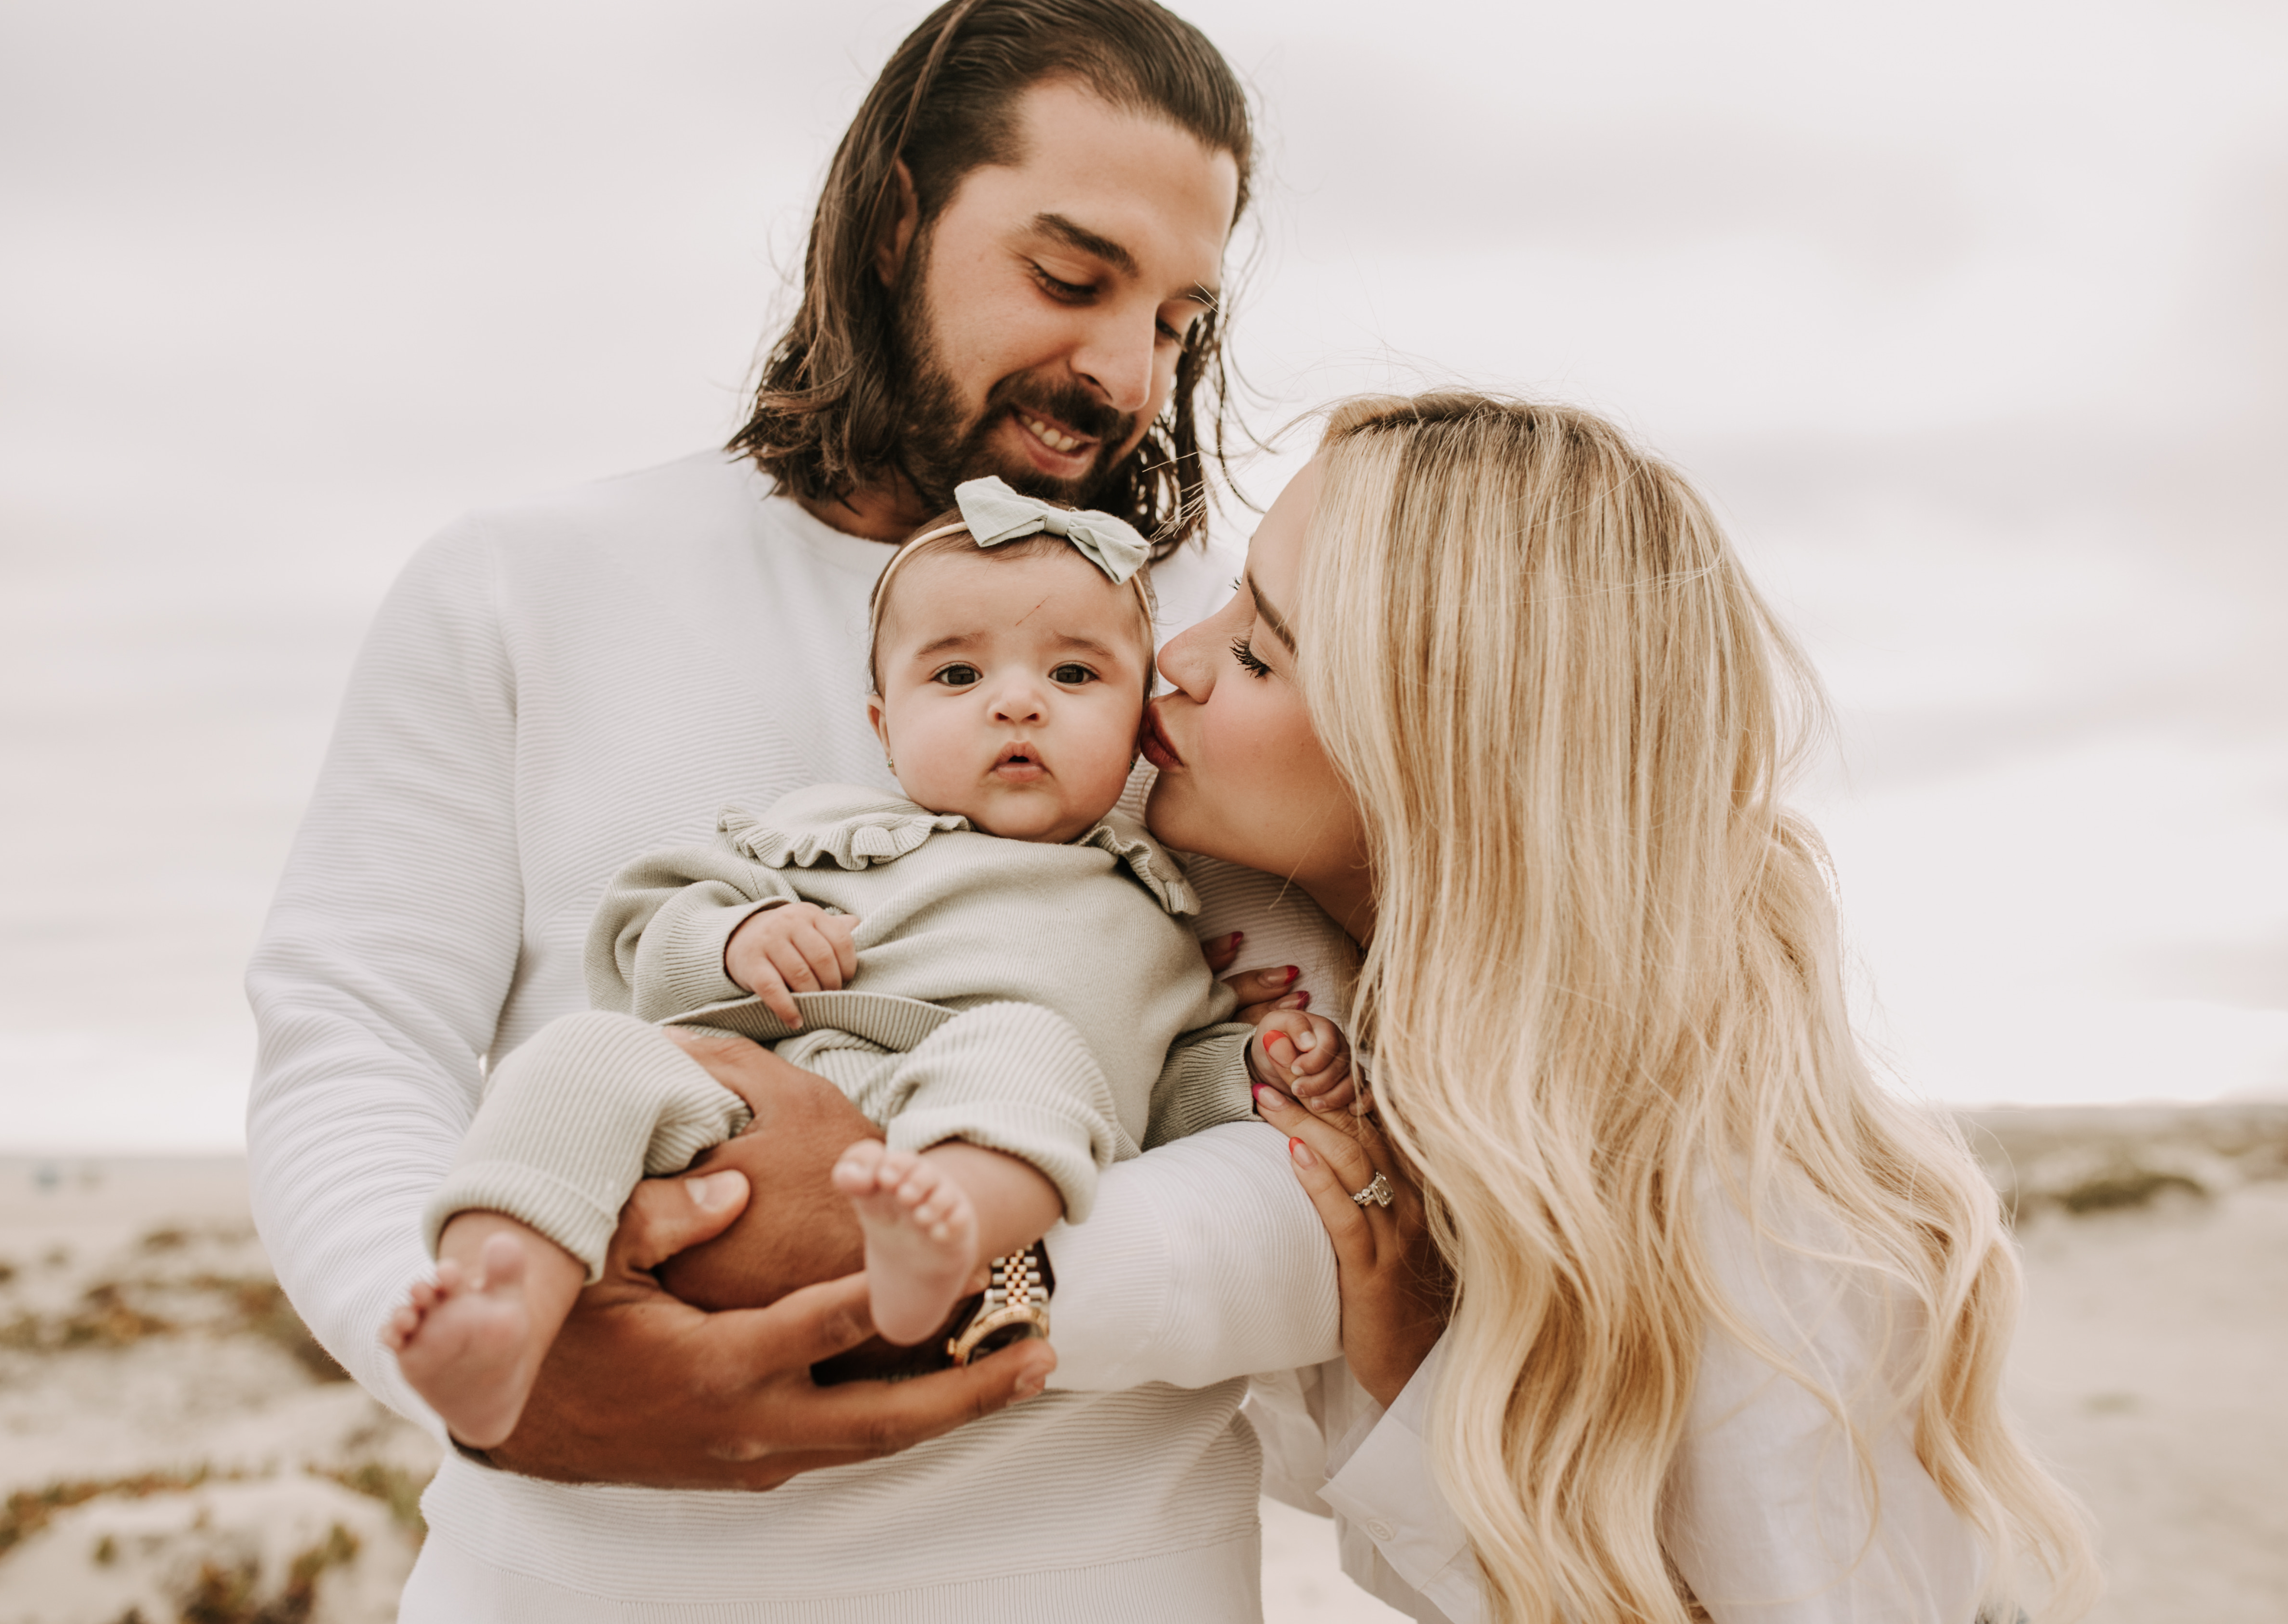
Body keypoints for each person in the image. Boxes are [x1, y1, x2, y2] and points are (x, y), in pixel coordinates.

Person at [247, 2, 1360, 1617]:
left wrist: (944, 1283)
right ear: (897, 214)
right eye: (1072, 278)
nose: (1126, 374)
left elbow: (1339, 1159)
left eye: (1181, 321)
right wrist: (494, 1373)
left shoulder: (1206, 660)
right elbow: (351, 1033)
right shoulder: (523, 583)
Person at [1144, 391, 2101, 1622]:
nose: (1177, 654)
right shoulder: (1405, 1067)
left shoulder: (1736, 1201)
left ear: (1444, 751)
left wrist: (1401, 1367)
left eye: (1260, 650)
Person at [381, 484, 1351, 1450]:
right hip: (734, 1099)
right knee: (580, 1054)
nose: (1017, 701)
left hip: (950, 1129)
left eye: (1073, 676)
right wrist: (735, 939)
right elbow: (642, 938)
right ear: (885, 729)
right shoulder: (823, 832)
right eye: (961, 677)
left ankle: (941, 1234)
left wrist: (1254, 1069)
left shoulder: (1152, 921)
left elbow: (1165, 1085)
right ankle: (496, 1294)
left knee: (1030, 1047)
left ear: (1140, 719)